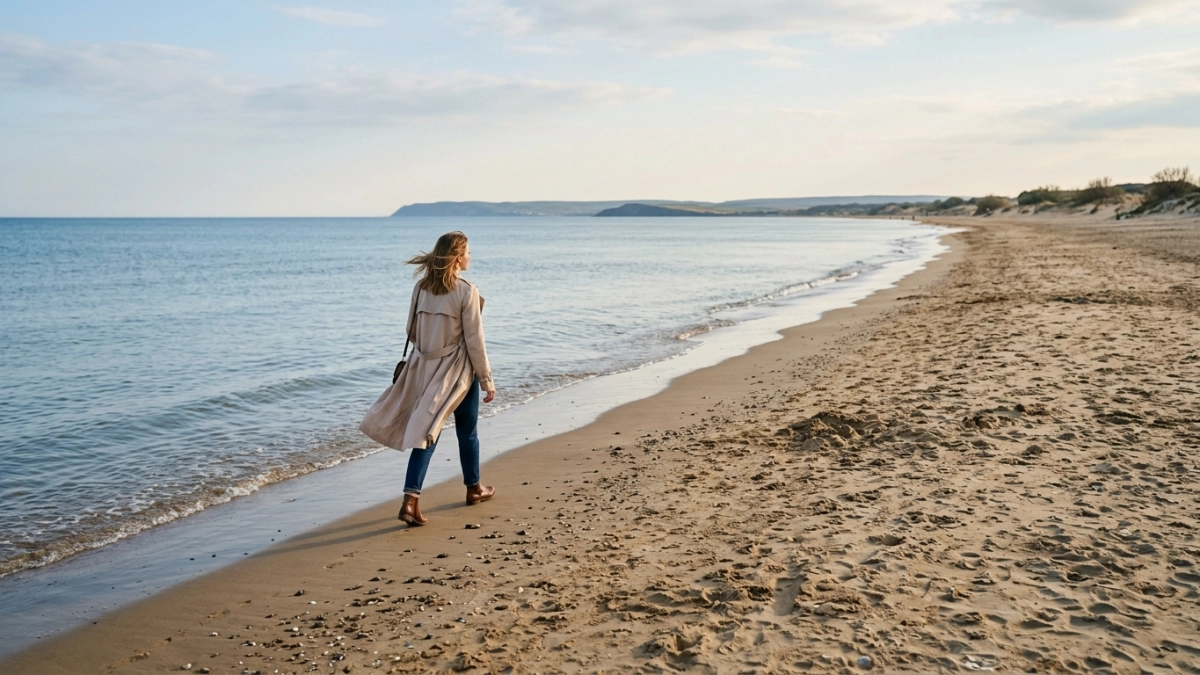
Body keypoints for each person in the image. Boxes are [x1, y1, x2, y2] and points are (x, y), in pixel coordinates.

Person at [360, 231, 496, 526]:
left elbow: (411, 331)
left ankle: (427, 497)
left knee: (427, 430)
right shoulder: (466, 291)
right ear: (457, 258)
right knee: (464, 431)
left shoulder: (421, 288)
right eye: (468, 252)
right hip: (457, 370)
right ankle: (461, 490)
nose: (470, 257)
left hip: (424, 367)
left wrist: (432, 345)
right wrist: (487, 380)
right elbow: (475, 341)